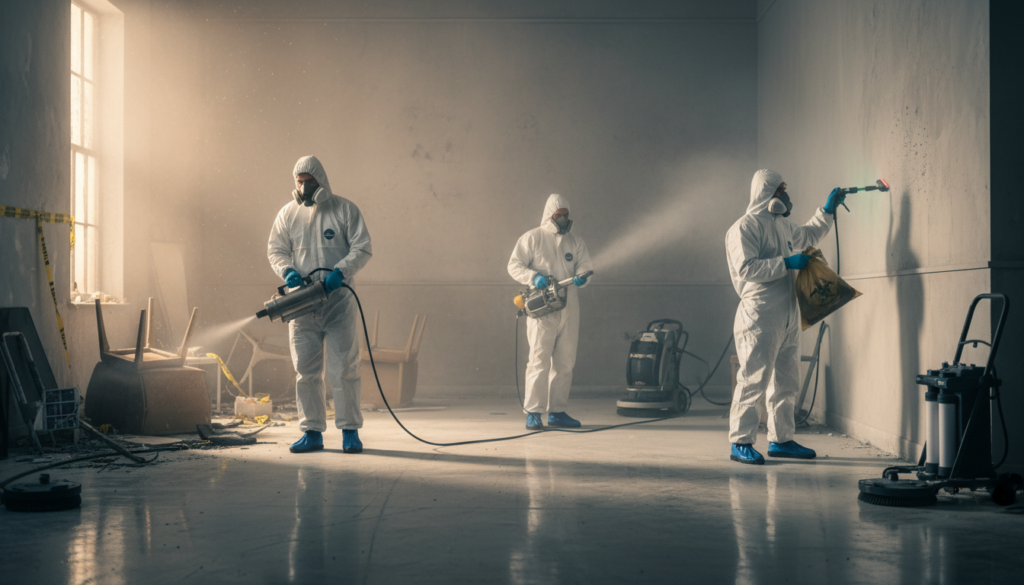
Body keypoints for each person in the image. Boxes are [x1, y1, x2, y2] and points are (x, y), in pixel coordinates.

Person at [724, 169, 844, 464]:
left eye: (784, 189)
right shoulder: (743, 228)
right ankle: (740, 441)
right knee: (754, 378)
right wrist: (786, 262)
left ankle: (781, 439)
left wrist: (826, 210)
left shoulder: (783, 226)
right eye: (780, 190)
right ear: (764, 193)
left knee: (786, 380)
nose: (784, 196)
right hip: (759, 313)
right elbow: (747, 269)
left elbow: (808, 234)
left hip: (788, 312)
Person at [268, 155, 372, 454]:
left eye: (308, 182)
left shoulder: (344, 209)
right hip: (302, 305)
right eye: (299, 182)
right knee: (306, 371)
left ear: (320, 182)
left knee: (345, 369)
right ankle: (312, 432)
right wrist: (288, 271)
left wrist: (342, 271)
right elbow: (276, 249)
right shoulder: (288, 214)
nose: (303, 187)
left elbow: (362, 247)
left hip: (339, 302)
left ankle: (350, 431)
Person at [508, 194, 594, 430]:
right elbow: (514, 264)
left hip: (569, 307)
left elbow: (586, 265)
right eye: (559, 215)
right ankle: (533, 412)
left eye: (566, 214)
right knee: (538, 360)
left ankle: (557, 411)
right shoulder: (532, 238)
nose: (564, 218)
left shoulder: (575, 242)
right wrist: (533, 277)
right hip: (542, 309)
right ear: (550, 215)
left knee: (565, 362)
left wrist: (582, 277)